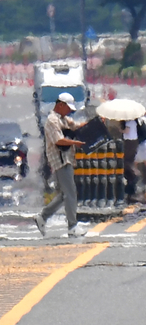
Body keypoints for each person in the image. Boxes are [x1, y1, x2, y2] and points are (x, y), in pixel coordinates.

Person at [34, 92, 87, 238]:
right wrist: (76, 143)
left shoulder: (63, 119)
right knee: (70, 193)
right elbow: (59, 140)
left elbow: (77, 126)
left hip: (66, 159)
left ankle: (43, 217)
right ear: (60, 105)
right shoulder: (52, 120)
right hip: (60, 160)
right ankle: (72, 226)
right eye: (68, 107)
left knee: (64, 194)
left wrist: (95, 123)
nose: (70, 110)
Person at [121, 118, 139, 203]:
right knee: (130, 160)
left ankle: (134, 175)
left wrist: (120, 130)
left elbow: (127, 131)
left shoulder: (129, 122)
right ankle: (132, 178)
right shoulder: (135, 122)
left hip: (129, 142)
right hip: (134, 142)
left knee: (126, 161)